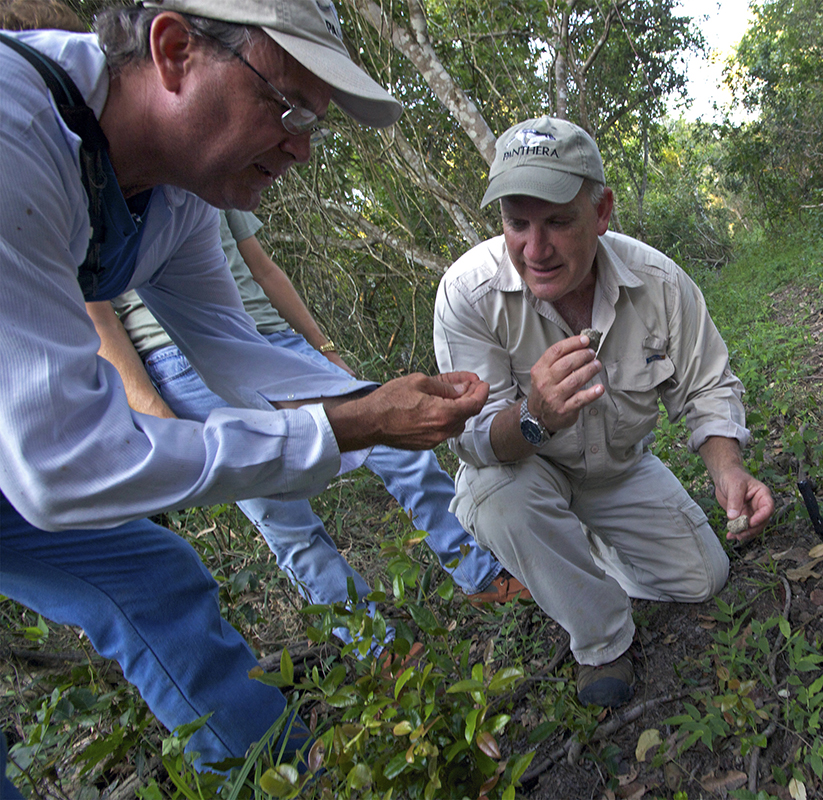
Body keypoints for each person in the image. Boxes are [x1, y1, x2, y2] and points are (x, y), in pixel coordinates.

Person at [0, 0, 489, 781]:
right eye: (286, 106)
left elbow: (240, 359)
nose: (299, 147)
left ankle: (283, 776)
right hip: (28, 447)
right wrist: (352, 424)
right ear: (175, 50)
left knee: (154, 579)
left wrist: (397, 401)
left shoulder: (178, 192)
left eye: (314, 124)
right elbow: (64, 467)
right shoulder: (15, 129)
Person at [433, 117, 775, 708]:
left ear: (602, 212)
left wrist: (728, 470)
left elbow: (707, 386)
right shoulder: (470, 294)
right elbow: (475, 440)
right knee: (497, 498)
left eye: (558, 222)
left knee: (704, 578)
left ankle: (583, 549)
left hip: (616, 469)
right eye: (517, 224)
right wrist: (535, 416)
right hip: (527, 468)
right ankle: (601, 639)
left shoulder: (658, 282)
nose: (534, 250)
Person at [87, 209, 528, 612]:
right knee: (281, 515)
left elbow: (261, 267)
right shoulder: (85, 189)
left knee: (398, 443)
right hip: (176, 359)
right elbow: (100, 318)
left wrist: (323, 348)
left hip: (269, 338)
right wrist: (155, 413)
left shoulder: (200, 173)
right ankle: (373, 645)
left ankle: (479, 573)